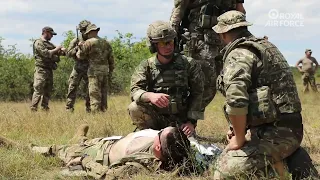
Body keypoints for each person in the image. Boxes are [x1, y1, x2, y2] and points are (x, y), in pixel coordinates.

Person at [211, 11, 304, 179]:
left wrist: (239, 138)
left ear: (223, 34)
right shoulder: (266, 46)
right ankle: (288, 155)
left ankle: (286, 165)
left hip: (276, 133)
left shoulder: (239, 54)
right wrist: (237, 128)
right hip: (288, 129)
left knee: (221, 172)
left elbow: (236, 100)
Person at [0, 125, 190, 179]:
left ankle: (20, 147)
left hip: (99, 154)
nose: (158, 132)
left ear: (158, 148)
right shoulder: (173, 148)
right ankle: (81, 140)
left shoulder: (138, 167)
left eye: (159, 134)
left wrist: (84, 162)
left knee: (59, 150)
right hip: (110, 142)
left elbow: (106, 174)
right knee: (86, 141)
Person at [128, 20, 204, 137]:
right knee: (134, 107)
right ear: (154, 45)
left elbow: (198, 94)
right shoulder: (146, 66)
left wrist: (191, 122)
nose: (168, 46)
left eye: (170, 41)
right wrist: (150, 96)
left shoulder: (189, 64)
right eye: (163, 43)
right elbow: (135, 91)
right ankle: (149, 135)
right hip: (156, 119)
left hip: (181, 122)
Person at [170, 0, 246, 113]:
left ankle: (189, 121)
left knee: (222, 84)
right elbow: (177, 13)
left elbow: (240, 11)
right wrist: (171, 40)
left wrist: (244, 38)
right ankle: (185, 122)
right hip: (199, 43)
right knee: (199, 86)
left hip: (226, 42)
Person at [76, 24, 115, 112]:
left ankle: (95, 114)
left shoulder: (89, 42)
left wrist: (80, 47)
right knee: (103, 93)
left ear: (89, 32)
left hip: (94, 72)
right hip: (105, 71)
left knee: (94, 93)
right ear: (97, 31)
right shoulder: (106, 43)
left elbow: (80, 56)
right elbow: (111, 59)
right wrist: (111, 70)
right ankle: (103, 111)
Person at [30, 26, 66, 111]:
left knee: (48, 90)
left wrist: (63, 50)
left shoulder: (50, 44)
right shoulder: (39, 42)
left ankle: (44, 108)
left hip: (49, 69)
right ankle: (33, 108)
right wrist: (57, 48)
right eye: (51, 34)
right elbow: (46, 53)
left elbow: (59, 52)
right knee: (38, 89)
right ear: (45, 32)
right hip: (41, 70)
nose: (52, 36)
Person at [65, 20, 92, 112]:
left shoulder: (92, 40)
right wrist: (77, 48)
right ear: (81, 30)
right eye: (84, 30)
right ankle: (69, 108)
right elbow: (68, 53)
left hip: (89, 68)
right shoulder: (75, 40)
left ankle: (89, 108)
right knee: (72, 87)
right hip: (78, 67)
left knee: (90, 88)